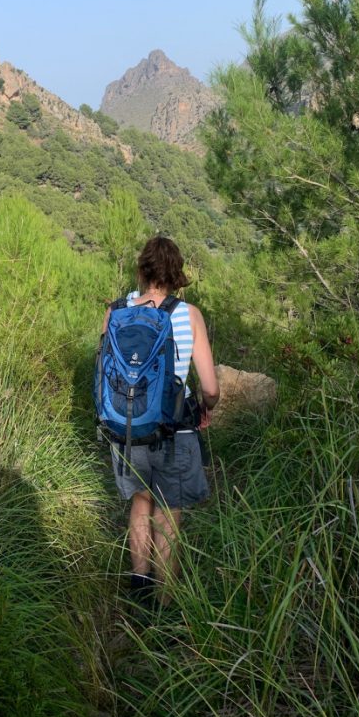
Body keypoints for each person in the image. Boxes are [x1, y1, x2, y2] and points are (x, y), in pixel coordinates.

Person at [101, 235, 219, 607]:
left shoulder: (116, 311)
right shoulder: (188, 315)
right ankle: (164, 604)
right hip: (175, 431)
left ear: (142, 270)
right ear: (176, 274)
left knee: (140, 503)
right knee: (169, 515)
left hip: (128, 427)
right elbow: (212, 387)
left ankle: (139, 589)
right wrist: (206, 407)